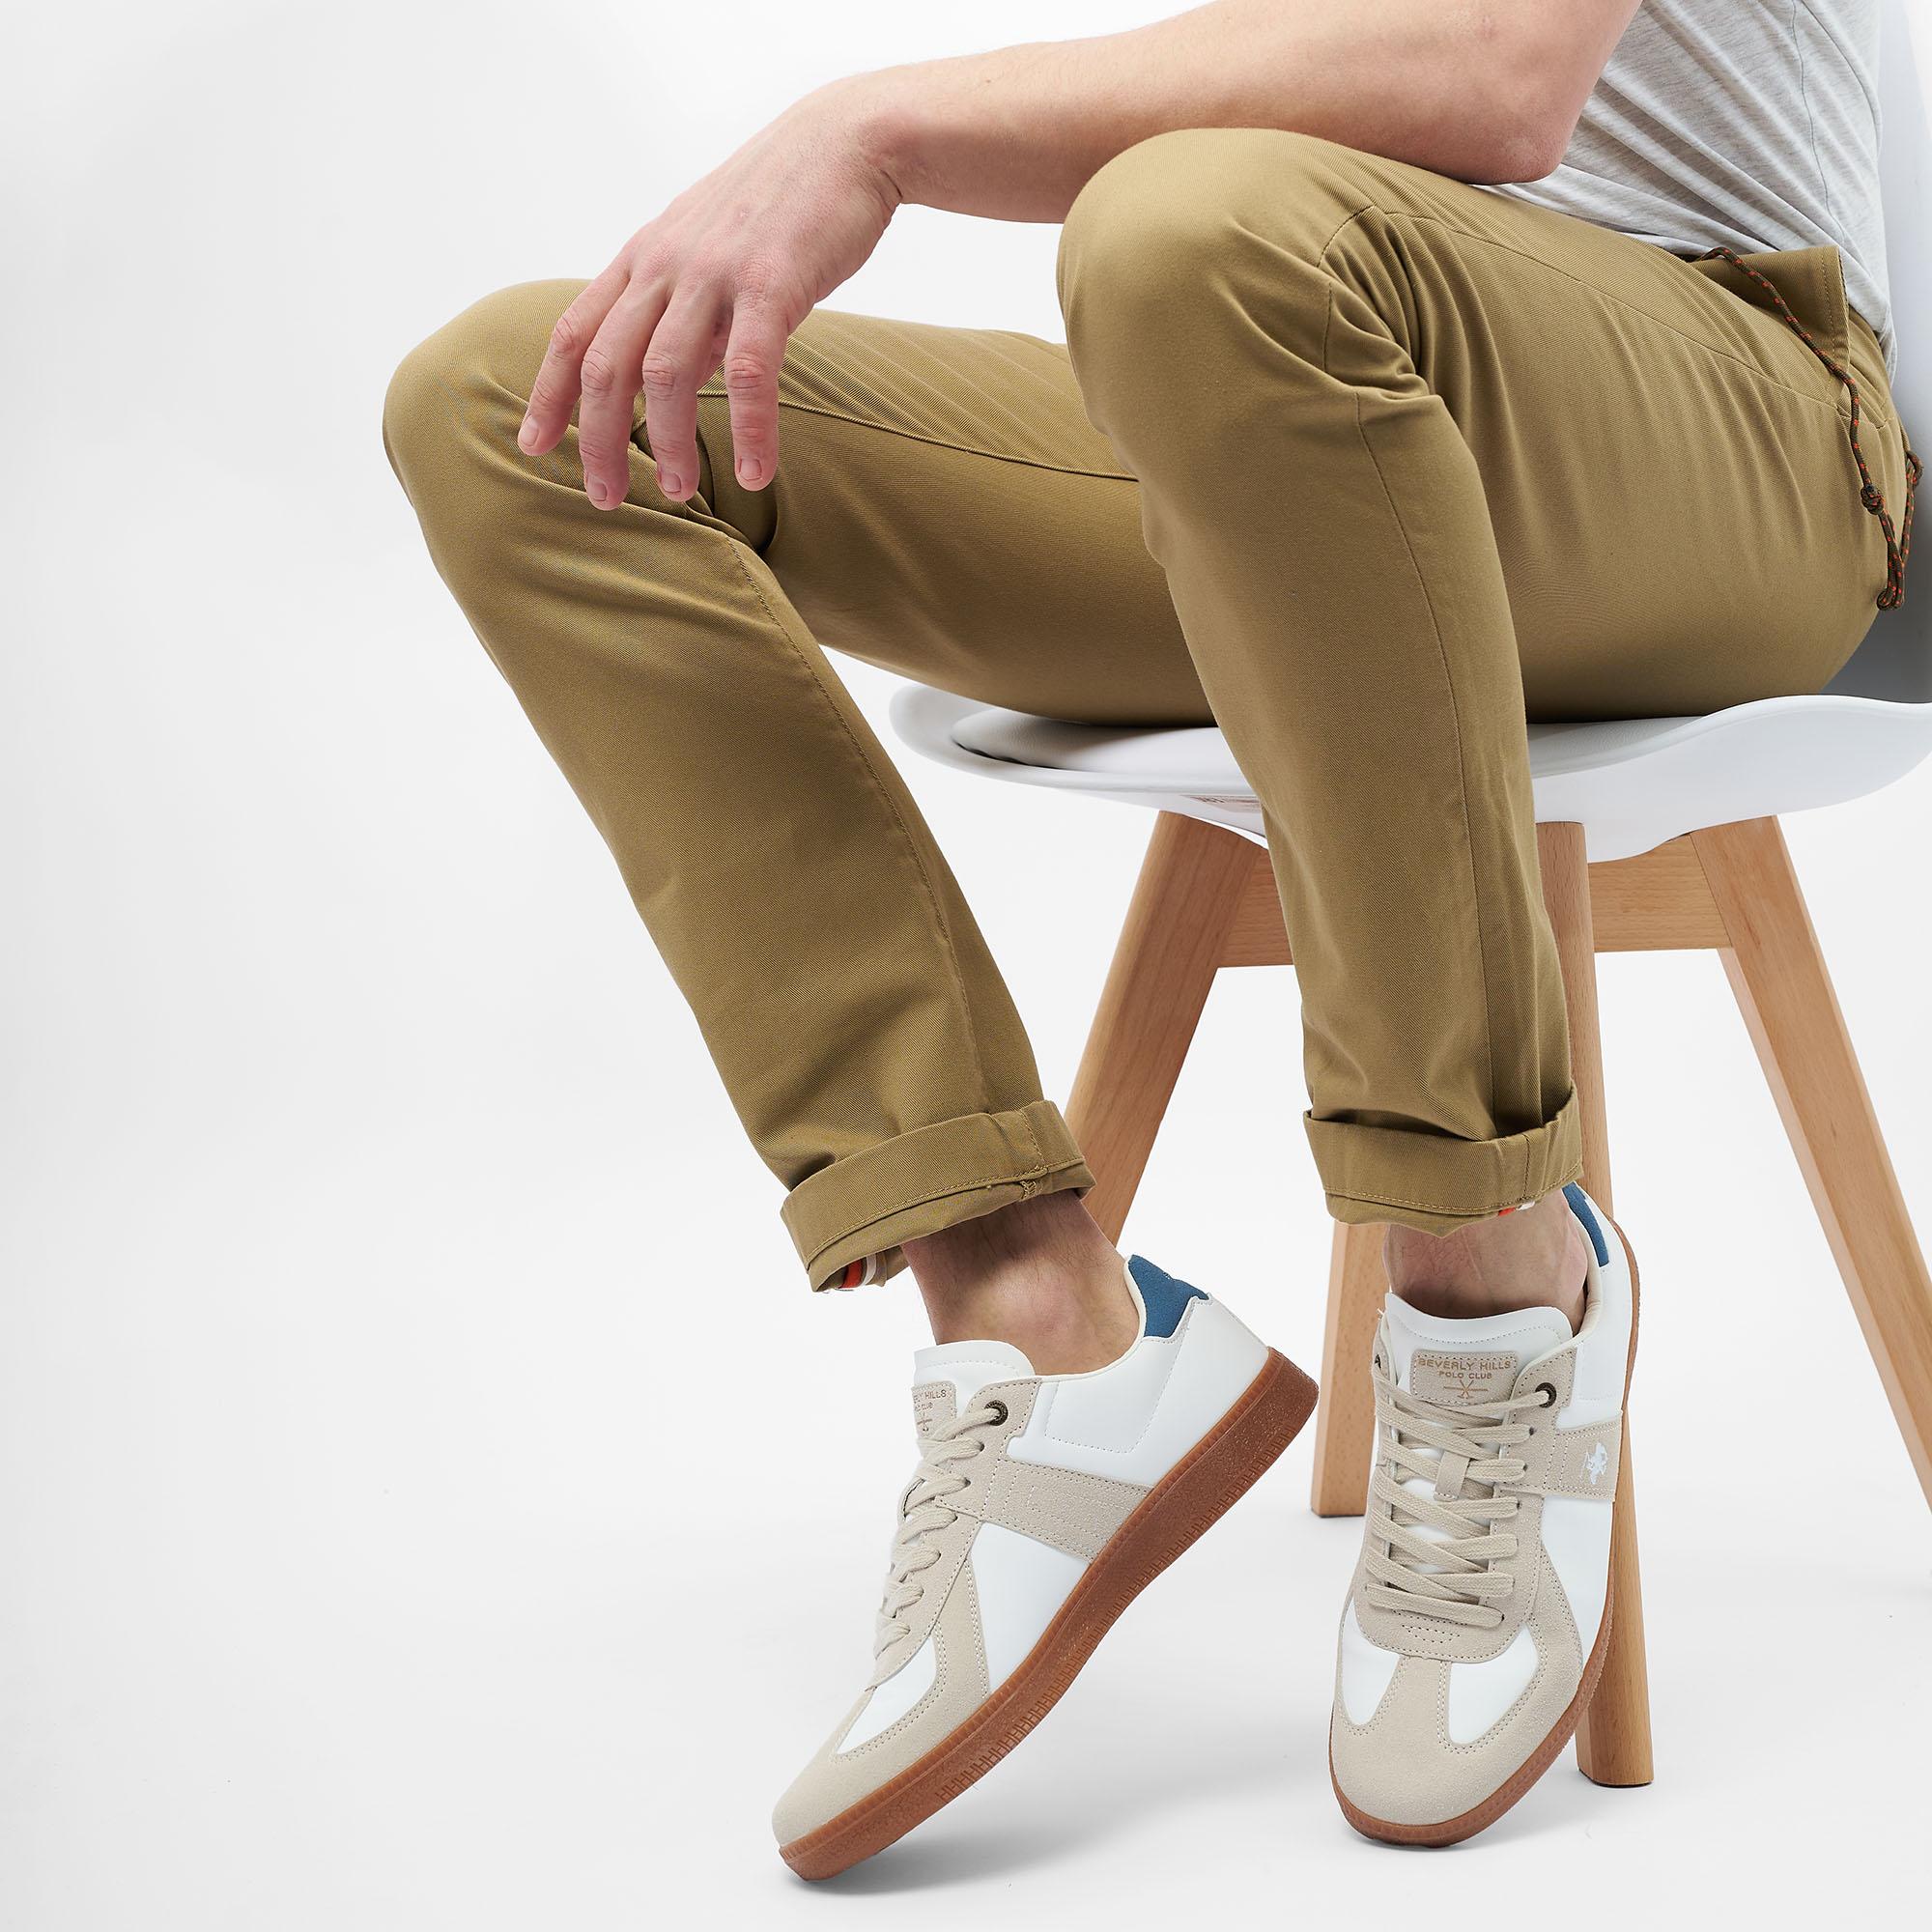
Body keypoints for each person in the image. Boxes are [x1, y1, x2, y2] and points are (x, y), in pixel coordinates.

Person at [382, 0, 1915, 1868]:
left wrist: (870, 129)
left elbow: (1493, 76)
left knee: (1191, 227)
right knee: (523, 407)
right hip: (1308, 401)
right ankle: (1037, 1316)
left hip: (1741, 434)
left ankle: (1495, 1278)